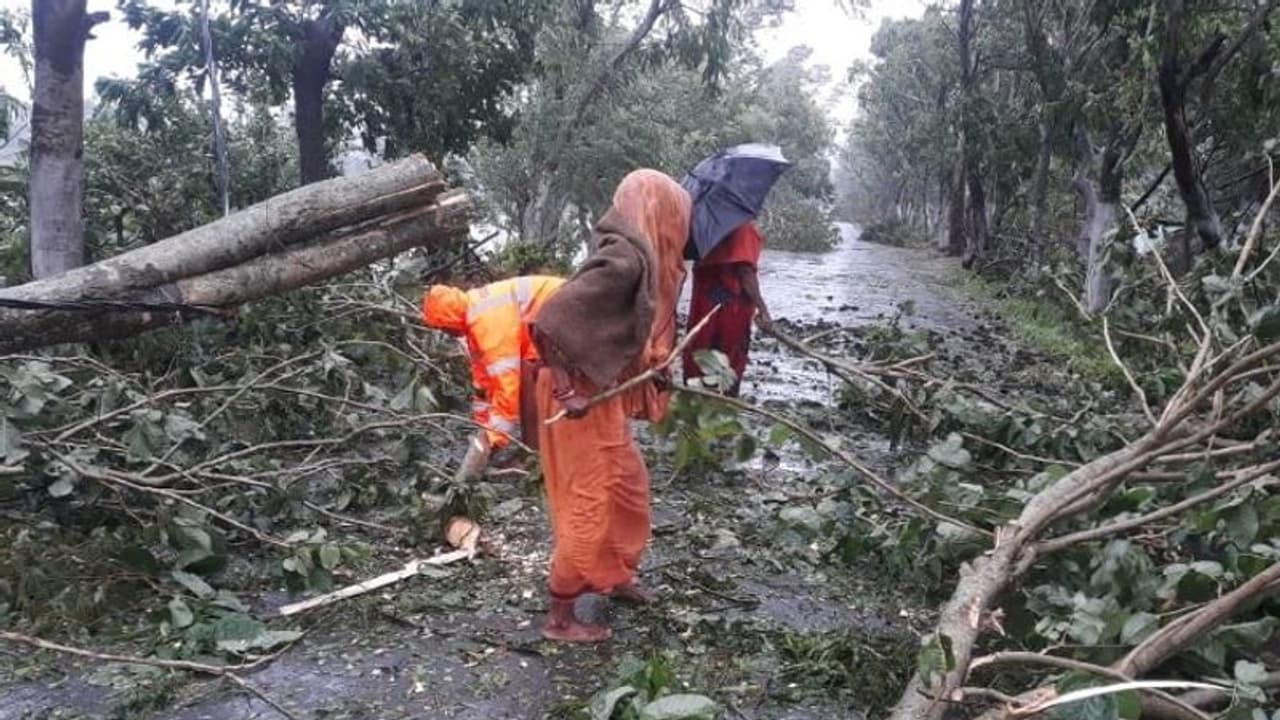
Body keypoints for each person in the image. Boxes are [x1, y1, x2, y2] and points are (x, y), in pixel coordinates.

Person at [527, 168, 690, 643]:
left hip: (596, 390)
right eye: (676, 213)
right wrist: (564, 389)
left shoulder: (631, 256)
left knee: (627, 487)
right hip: (575, 394)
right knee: (589, 498)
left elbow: (611, 329)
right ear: (661, 212)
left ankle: (615, 574)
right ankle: (560, 616)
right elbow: (551, 318)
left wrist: (649, 367)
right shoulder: (626, 258)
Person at [421, 275, 566, 480]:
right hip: (548, 319)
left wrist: (493, 439)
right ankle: (534, 451)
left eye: (443, 327)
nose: (445, 333)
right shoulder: (473, 317)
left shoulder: (486, 323)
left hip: (564, 311)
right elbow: (484, 383)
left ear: (450, 318)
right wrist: (483, 424)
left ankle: (536, 456)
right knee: (527, 377)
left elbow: (508, 387)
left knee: (530, 383)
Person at [681, 220, 771, 397]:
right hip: (731, 313)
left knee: (698, 358)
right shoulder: (744, 229)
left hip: (703, 309)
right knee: (728, 363)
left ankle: (693, 406)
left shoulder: (703, 227)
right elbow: (746, 272)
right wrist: (763, 308)